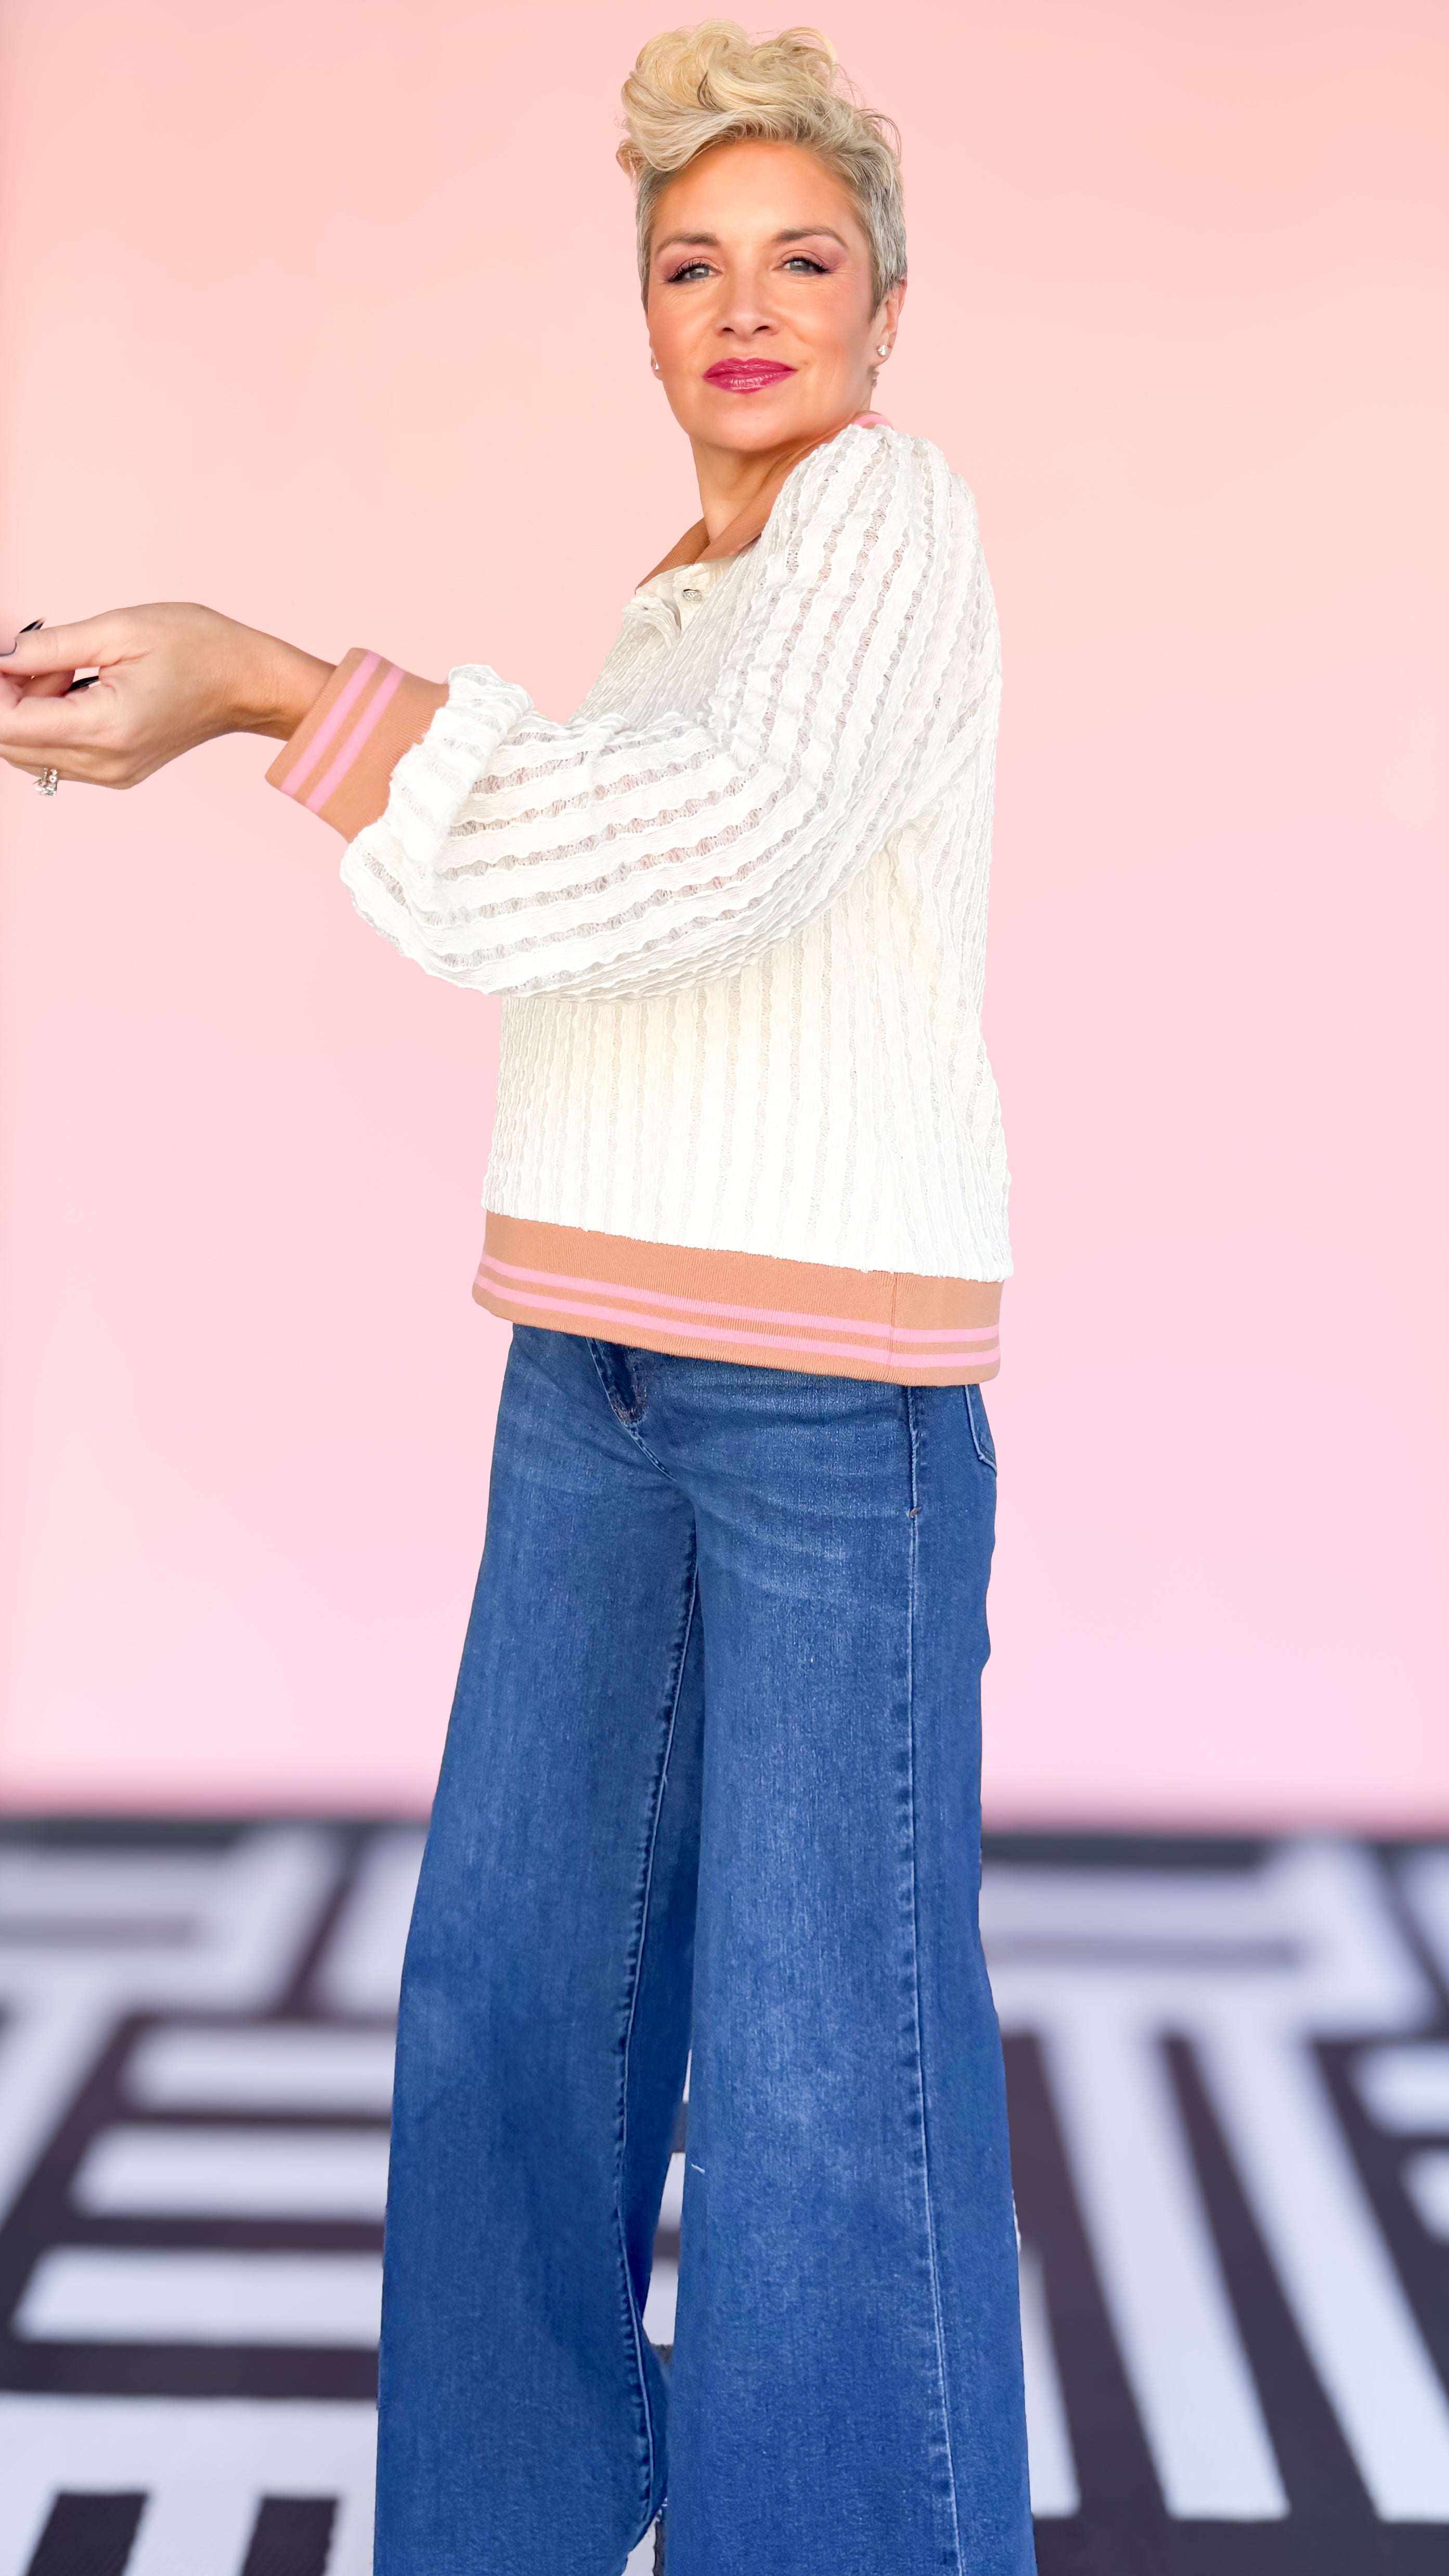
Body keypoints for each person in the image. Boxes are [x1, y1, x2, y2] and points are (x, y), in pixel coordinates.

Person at [0, 22, 1033, 2575]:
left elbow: (710, 851)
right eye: (692, 263)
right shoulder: (678, 597)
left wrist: (266, 685)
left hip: (826, 1408)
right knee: (503, 2025)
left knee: (819, 2090)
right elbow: (550, 898)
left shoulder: (892, 517)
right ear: (643, 318)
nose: (747, 301)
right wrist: (261, 714)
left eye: (804, 256)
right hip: (585, 1373)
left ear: (887, 309)